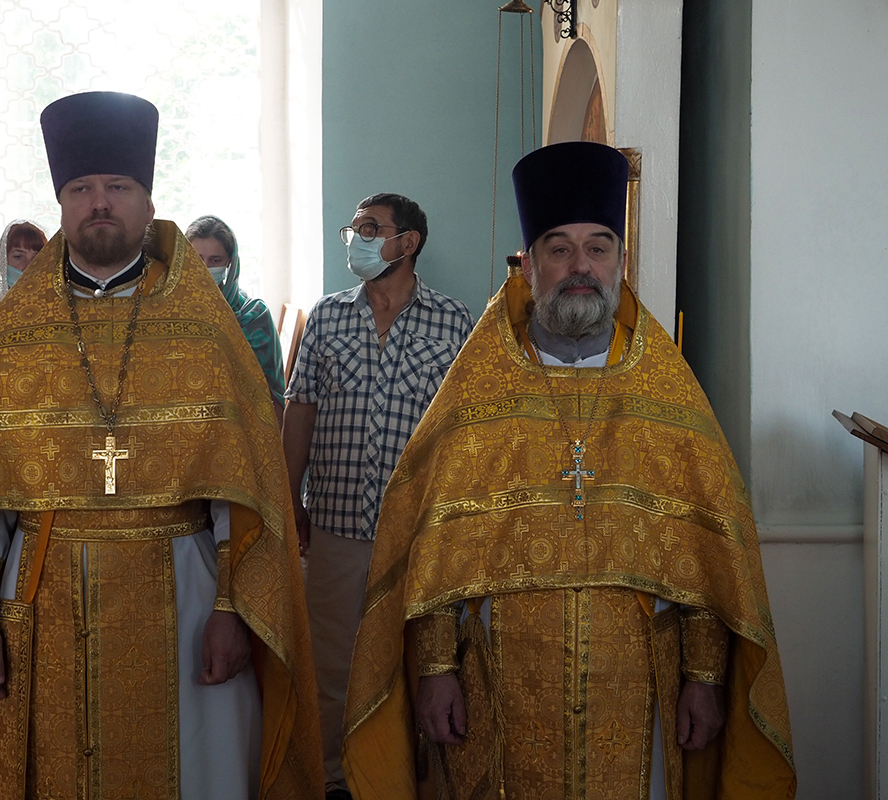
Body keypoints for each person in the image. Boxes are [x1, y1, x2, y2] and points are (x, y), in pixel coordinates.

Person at [342, 142, 796, 800]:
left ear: (620, 262)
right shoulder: (478, 390)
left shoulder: (666, 393)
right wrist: (436, 668)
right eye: (559, 248)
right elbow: (437, 541)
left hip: (640, 682)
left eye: (598, 247)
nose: (580, 266)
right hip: (499, 676)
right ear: (529, 265)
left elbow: (702, 553)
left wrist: (704, 678)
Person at [0, 91, 322, 800]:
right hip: (40, 597)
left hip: (187, 594)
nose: (99, 202)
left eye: (118, 187)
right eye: (81, 189)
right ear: (62, 203)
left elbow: (241, 484)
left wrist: (231, 609)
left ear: (147, 200)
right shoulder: (14, 334)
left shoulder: (203, 326)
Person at [281, 193, 473, 800]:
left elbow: (464, 430)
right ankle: (335, 781)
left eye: (370, 229)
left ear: (407, 243)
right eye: (354, 230)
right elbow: (300, 411)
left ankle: (409, 782)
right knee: (332, 665)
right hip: (336, 525)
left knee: (416, 664)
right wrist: (290, 500)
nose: (356, 240)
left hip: (415, 535)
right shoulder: (327, 317)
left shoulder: (454, 322)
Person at [186, 215, 286, 423]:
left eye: (215, 260)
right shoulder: (169, 315)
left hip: (242, 427)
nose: (204, 267)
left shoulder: (254, 316)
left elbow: (272, 394)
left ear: (230, 264)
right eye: (197, 259)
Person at [0, 219, 48, 317]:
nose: (29, 266)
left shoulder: (59, 311)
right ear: (1, 259)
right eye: (19, 257)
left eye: (37, 258)